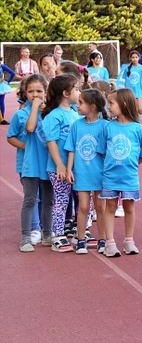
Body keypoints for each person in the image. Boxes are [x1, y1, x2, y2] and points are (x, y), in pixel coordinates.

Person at [100, 89, 142, 257]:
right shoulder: (108, 127)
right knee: (110, 207)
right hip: (110, 176)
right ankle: (109, 242)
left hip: (129, 176)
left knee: (129, 207)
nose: (109, 107)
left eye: (112, 104)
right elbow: (102, 150)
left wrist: (132, 165)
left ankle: (129, 240)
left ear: (123, 104)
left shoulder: (138, 129)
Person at [7, 74, 54, 252]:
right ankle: (26, 236)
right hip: (30, 166)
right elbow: (27, 129)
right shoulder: (21, 114)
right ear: (25, 93)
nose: (35, 94)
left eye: (39, 91)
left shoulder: (50, 113)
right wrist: (26, 146)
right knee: (30, 200)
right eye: (31, 91)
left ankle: (47, 233)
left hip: (48, 165)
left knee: (48, 200)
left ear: (46, 92)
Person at [64, 89, 108, 254]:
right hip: (81, 172)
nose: (78, 105)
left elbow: (107, 151)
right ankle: (81, 239)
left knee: (100, 207)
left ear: (93, 106)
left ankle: (102, 239)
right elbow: (71, 149)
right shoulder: (77, 125)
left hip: (99, 173)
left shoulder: (105, 126)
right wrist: (69, 170)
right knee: (82, 207)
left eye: (81, 102)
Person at [42, 74, 81, 253]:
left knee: (75, 199)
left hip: (75, 167)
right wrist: (60, 165)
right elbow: (51, 141)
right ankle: (57, 235)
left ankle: (71, 230)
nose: (79, 92)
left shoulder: (74, 114)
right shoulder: (54, 116)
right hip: (59, 168)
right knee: (62, 200)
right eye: (77, 89)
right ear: (66, 93)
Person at [119, 50, 142, 127]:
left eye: (136, 57)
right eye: (132, 57)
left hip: (139, 92)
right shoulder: (127, 68)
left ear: (139, 58)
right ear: (130, 58)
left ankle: (140, 125)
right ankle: (133, 124)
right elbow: (126, 81)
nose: (134, 59)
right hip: (130, 92)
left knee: (139, 109)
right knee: (131, 109)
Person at [0, 56, 16, 124]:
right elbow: (13, 73)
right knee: (1, 102)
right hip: (1, 85)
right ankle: (2, 119)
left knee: (1, 102)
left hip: (1, 85)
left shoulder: (2, 66)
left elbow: (13, 73)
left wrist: (7, 82)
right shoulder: (2, 66)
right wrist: (8, 81)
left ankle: (2, 119)